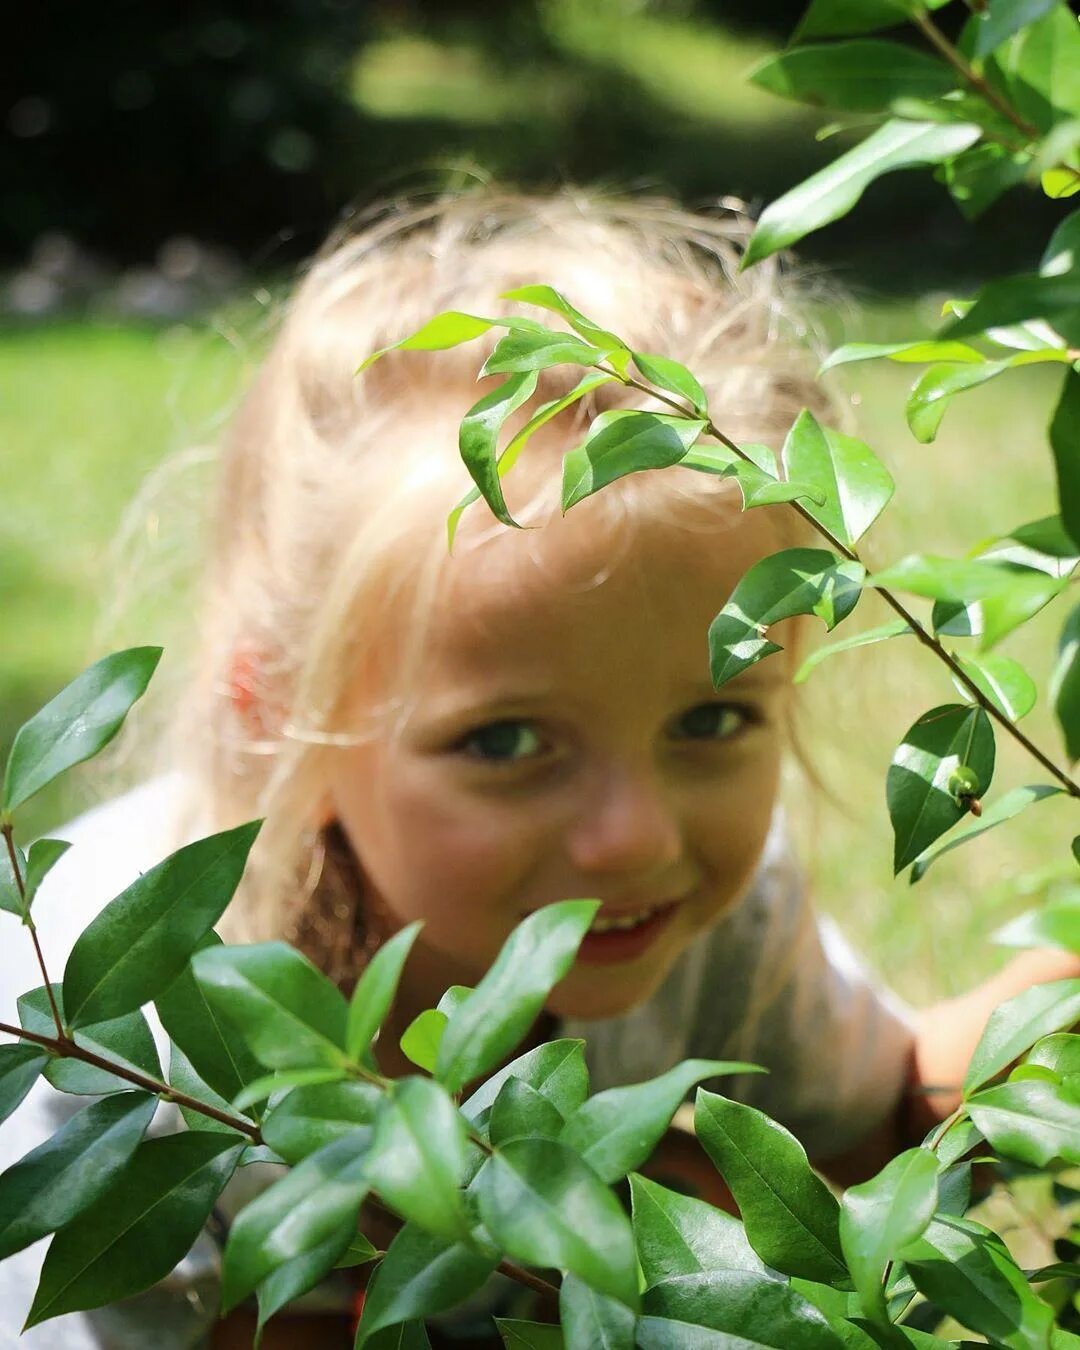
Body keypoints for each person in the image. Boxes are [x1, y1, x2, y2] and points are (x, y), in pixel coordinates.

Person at [1, 190, 1076, 1350]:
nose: (635, 837)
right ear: (279, 719)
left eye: (711, 722)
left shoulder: (718, 918)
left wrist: (1038, 1036)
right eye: (506, 742)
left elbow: (867, 1126)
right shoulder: (123, 1064)